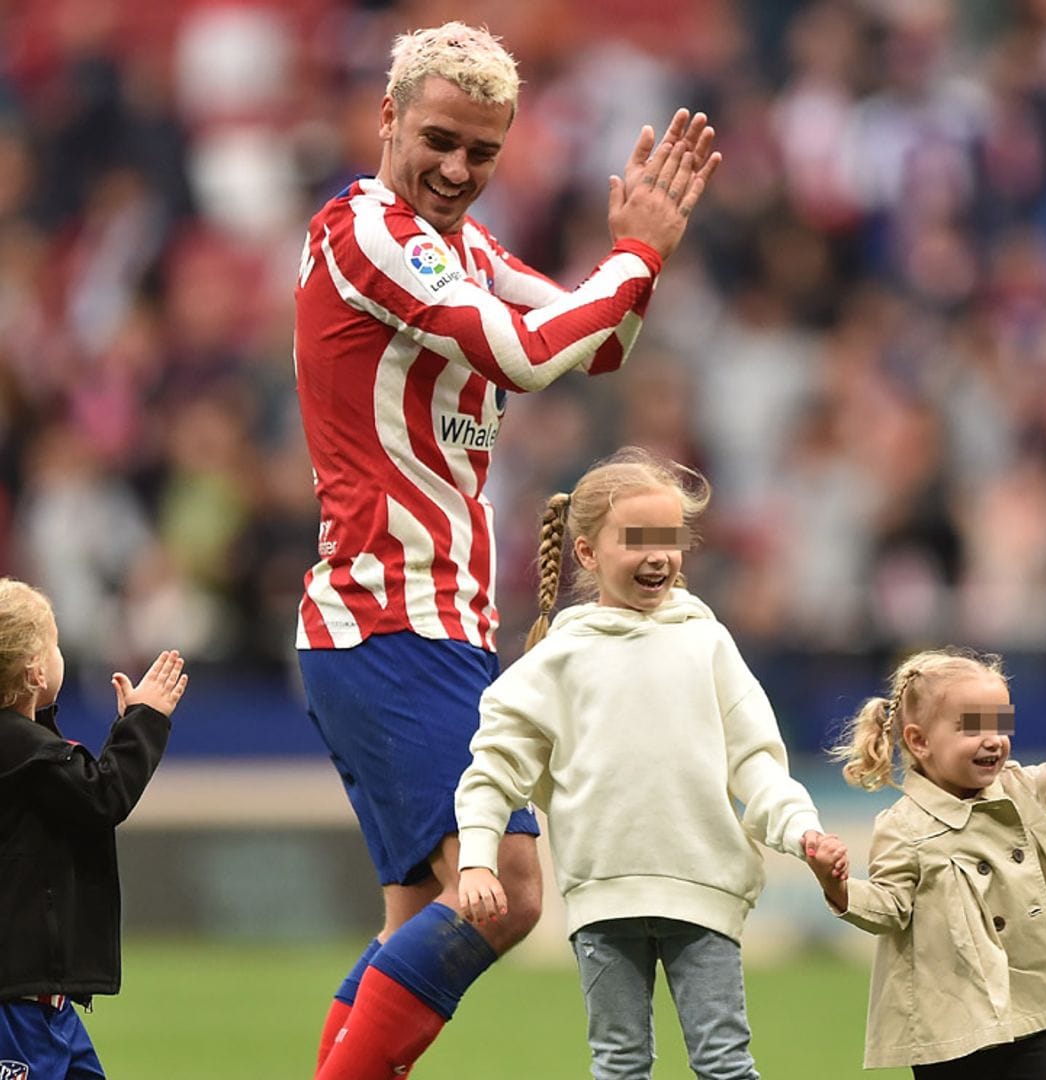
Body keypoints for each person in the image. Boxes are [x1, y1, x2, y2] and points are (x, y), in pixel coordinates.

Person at [293, 19, 722, 1080]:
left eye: (483, 153)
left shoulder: (461, 248)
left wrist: (642, 251)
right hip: (388, 615)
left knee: (429, 917)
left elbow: (599, 341)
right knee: (509, 893)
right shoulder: (365, 233)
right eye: (438, 138)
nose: (456, 168)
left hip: (419, 623)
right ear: (386, 118)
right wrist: (630, 260)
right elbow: (530, 356)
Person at [455, 447, 839, 1080]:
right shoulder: (558, 659)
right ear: (586, 553)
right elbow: (493, 769)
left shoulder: (708, 643)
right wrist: (476, 858)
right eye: (637, 539)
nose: (658, 554)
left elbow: (758, 765)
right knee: (620, 1064)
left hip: (704, 893)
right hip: (602, 902)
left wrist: (803, 832)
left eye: (671, 539)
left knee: (724, 1062)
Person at [807, 647, 1046, 1078]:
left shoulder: (1019, 788)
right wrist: (838, 888)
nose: (993, 739)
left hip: (1029, 1014)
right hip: (950, 1030)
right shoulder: (903, 827)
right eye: (971, 727)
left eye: (1000, 724)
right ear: (919, 740)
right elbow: (891, 906)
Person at [0, 577, 187, 1078]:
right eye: (53, 644)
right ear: (36, 670)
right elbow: (102, 796)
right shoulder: (27, 752)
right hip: (18, 1003)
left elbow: (66, 781)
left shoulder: (24, 748)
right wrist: (145, 723)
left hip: (43, 1004)